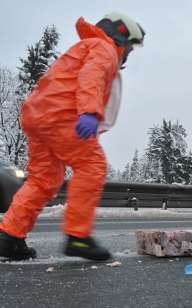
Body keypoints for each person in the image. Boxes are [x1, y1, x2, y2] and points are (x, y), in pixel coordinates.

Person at [0, 13, 145, 261]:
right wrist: (89, 112)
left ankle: (9, 237)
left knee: (42, 180)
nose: (128, 53)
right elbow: (92, 77)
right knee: (92, 165)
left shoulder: (83, 46)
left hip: (37, 116)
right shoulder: (105, 48)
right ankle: (78, 238)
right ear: (121, 35)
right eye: (130, 47)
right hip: (62, 116)